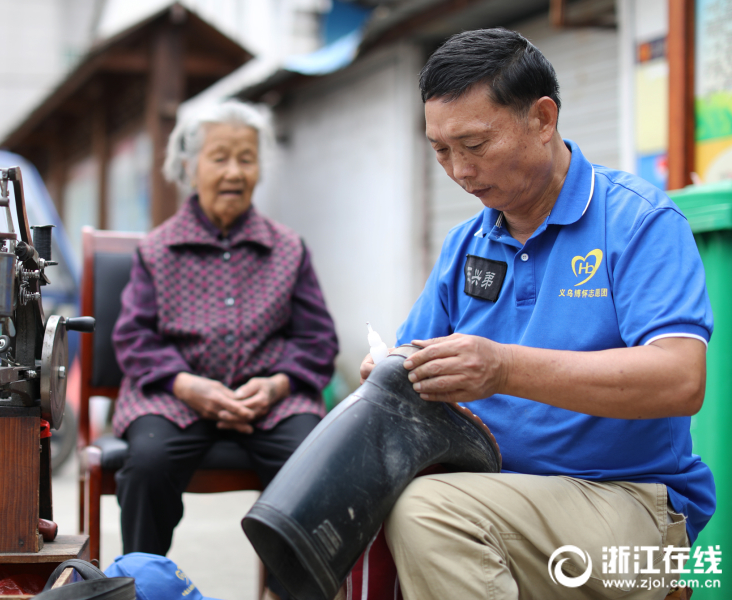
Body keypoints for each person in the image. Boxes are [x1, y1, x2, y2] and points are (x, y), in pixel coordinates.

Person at [359, 29, 715, 599]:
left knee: (429, 513)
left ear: (543, 118)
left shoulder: (638, 220)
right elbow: (414, 363)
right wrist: (393, 371)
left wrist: (502, 368)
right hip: (495, 494)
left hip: (633, 506)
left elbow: (679, 380)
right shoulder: (466, 244)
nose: (458, 170)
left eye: (474, 145)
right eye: (440, 151)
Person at [111, 101, 339, 567]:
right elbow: (134, 337)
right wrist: (187, 385)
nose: (234, 172)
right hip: (175, 395)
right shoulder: (157, 249)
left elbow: (318, 341)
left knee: (314, 465)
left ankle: (293, 589)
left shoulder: (288, 249)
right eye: (219, 157)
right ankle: (142, 581)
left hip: (270, 397)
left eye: (246, 158)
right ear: (188, 167)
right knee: (147, 465)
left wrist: (278, 384)